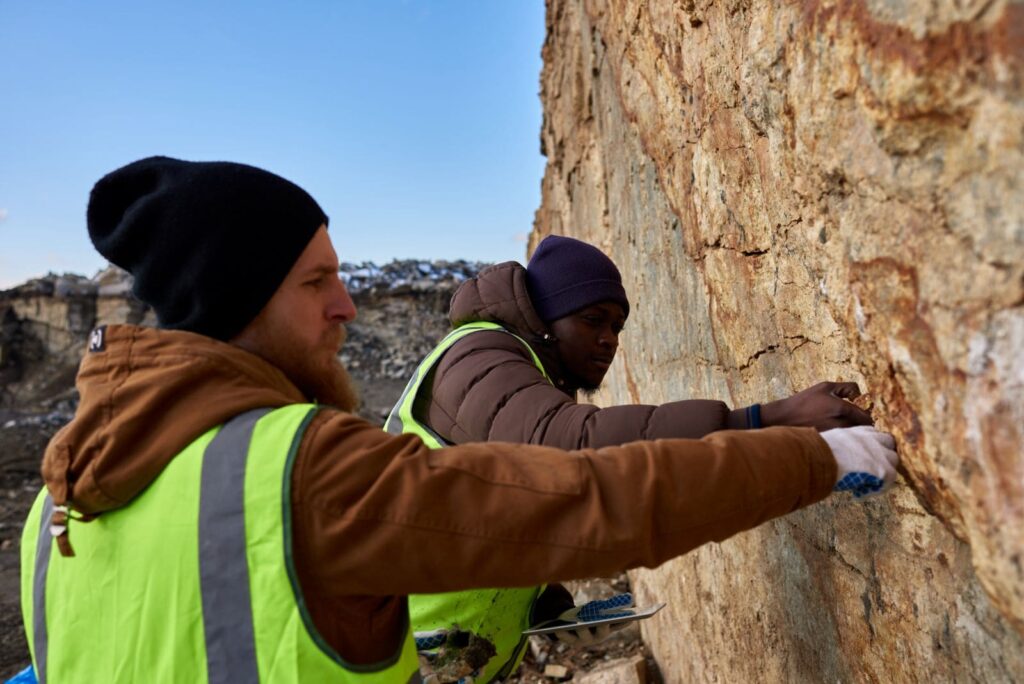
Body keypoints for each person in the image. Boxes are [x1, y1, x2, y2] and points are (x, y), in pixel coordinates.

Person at [20, 156, 898, 684]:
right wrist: (802, 455)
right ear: (237, 301)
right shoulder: (298, 469)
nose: (349, 309)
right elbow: (585, 491)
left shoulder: (52, 512)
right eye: (315, 282)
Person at [386, 235, 877, 680]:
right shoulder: (479, 355)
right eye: (592, 319)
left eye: (618, 326)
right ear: (544, 318)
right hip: (398, 652)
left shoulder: (520, 367)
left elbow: (499, 498)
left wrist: (544, 605)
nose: (609, 340)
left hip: (441, 657)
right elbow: (573, 451)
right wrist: (765, 419)